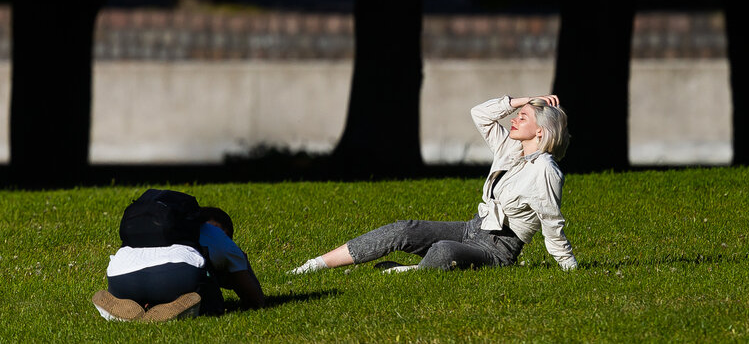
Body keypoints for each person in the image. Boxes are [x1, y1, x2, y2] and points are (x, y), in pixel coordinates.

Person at [291, 95, 578, 274]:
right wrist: (522, 100)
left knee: (444, 250)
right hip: (471, 228)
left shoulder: (545, 170)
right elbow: (480, 113)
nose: (515, 119)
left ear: (539, 132)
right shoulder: (508, 148)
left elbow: (552, 223)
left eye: (523, 117)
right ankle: (313, 265)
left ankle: (411, 272)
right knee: (403, 229)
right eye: (517, 115)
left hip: (497, 250)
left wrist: (569, 268)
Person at [92, 205, 265, 322]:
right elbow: (255, 300)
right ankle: (185, 309)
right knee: (213, 300)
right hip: (177, 275)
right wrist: (243, 262)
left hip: (119, 277)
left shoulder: (153, 230)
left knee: (151, 286)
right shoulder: (219, 236)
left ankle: (125, 307)